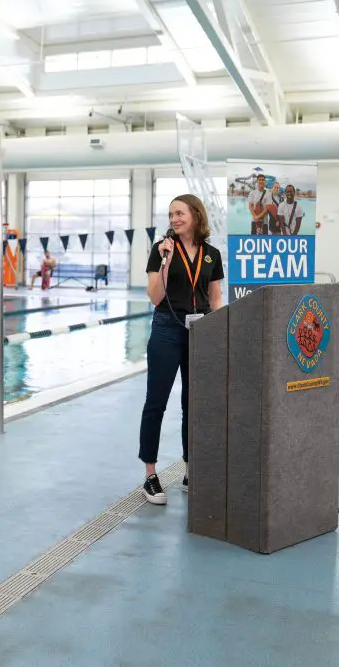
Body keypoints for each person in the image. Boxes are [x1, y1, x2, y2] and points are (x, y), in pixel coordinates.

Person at [139, 194, 224, 504]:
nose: (174, 219)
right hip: (166, 330)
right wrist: (164, 262)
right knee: (156, 403)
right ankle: (150, 474)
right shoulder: (160, 250)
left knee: (194, 404)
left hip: (199, 331)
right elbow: (154, 297)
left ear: (195, 215)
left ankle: (191, 468)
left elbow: (215, 299)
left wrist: (216, 332)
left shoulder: (212, 254)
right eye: (171, 214)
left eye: (180, 213)